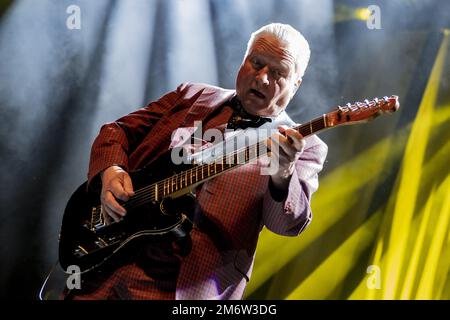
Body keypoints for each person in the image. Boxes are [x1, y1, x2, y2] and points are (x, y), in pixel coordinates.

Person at [69, 23, 328, 300]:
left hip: (186, 290)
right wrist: (112, 170)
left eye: (278, 73)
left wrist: (283, 172)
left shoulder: (307, 146)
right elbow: (116, 131)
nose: (263, 78)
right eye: (257, 63)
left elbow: (286, 225)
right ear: (243, 61)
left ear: (296, 84)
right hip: (104, 268)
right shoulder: (192, 95)